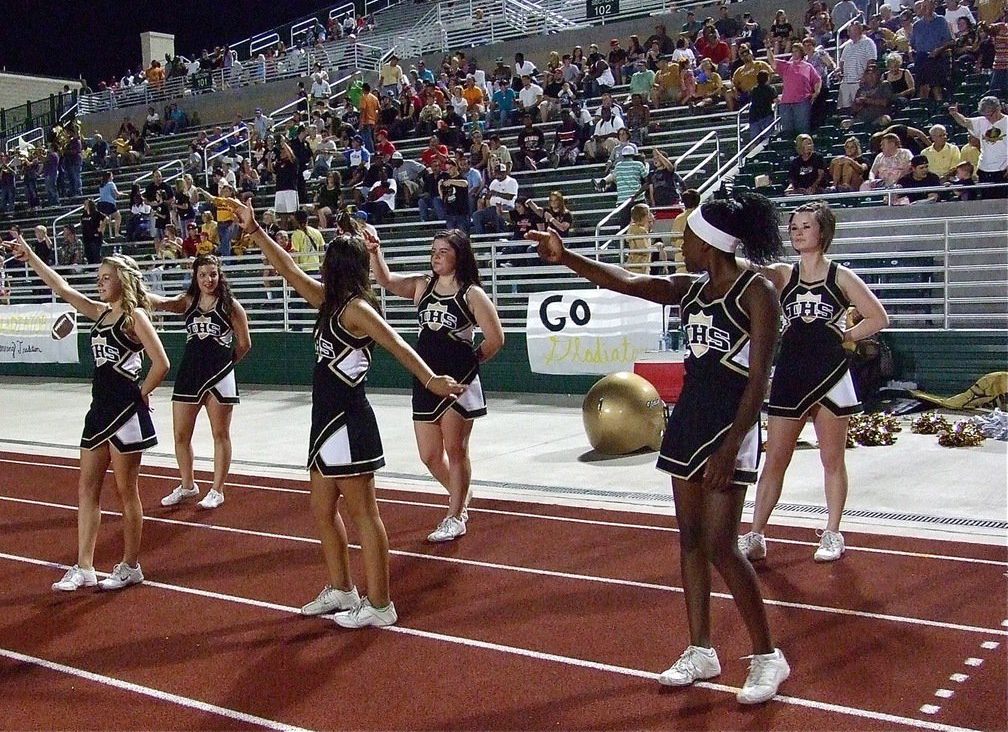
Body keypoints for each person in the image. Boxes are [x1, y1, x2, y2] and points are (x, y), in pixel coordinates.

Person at [531, 192, 790, 705]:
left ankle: (766, 656)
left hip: (728, 429)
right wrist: (566, 257)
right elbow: (626, 282)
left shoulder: (755, 292)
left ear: (711, 242)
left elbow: (759, 382)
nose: (680, 244)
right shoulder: (692, 290)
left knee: (722, 545)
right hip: (689, 423)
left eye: (687, 236)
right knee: (690, 542)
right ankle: (701, 649)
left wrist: (733, 442)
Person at [227, 199, 463, 628]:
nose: (319, 270)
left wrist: (433, 381)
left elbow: (398, 345)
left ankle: (380, 603)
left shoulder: (356, 309)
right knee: (321, 509)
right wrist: (256, 230)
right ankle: (341, 589)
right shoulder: (328, 303)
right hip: (325, 422)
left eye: (327, 264)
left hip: (349, 423)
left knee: (364, 514)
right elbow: (289, 271)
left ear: (341, 269)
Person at [2, 240, 170, 593]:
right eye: (99, 277)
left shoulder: (133, 317)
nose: (99, 282)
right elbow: (62, 289)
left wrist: (141, 392)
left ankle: (130, 566)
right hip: (98, 409)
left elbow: (162, 363)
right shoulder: (100, 313)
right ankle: (85, 567)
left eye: (106, 277)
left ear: (122, 280)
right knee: (87, 489)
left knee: (126, 491)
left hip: (125, 412)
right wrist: (31, 257)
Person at [739, 202, 889, 563]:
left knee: (832, 459)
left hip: (831, 375)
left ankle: (833, 533)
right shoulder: (782, 274)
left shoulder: (841, 276)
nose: (798, 231)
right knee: (775, 459)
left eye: (806, 226)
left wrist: (846, 334)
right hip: (791, 372)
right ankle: (756, 533)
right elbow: (742, 269)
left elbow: (878, 317)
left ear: (823, 233)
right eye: (793, 227)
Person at [368, 229, 504, 542]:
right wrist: (376, 253)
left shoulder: (472, 294)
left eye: (443, 251)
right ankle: (461, 496)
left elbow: (496, 338)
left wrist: (469, 364)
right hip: (425, 377)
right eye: (434, 251)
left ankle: (455, 515)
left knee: (456, 450)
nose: (436, 256)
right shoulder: (422, 285)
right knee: (429, 454)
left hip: (458, 380)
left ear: (460, 254)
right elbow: (386, 281)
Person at [152, 255, 252, 511]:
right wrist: (134, 290)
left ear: (220, 275)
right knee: (180, 434)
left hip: (219, 375)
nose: (209, 280)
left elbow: (244, 344)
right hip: (189, 373)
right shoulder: (188, 301)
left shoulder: (231, 306)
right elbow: (162, 303)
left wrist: (226, 364)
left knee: (220, 434)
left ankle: (217, 489)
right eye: (203, 275)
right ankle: (188, 485)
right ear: (195, 277)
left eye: (213, 274)